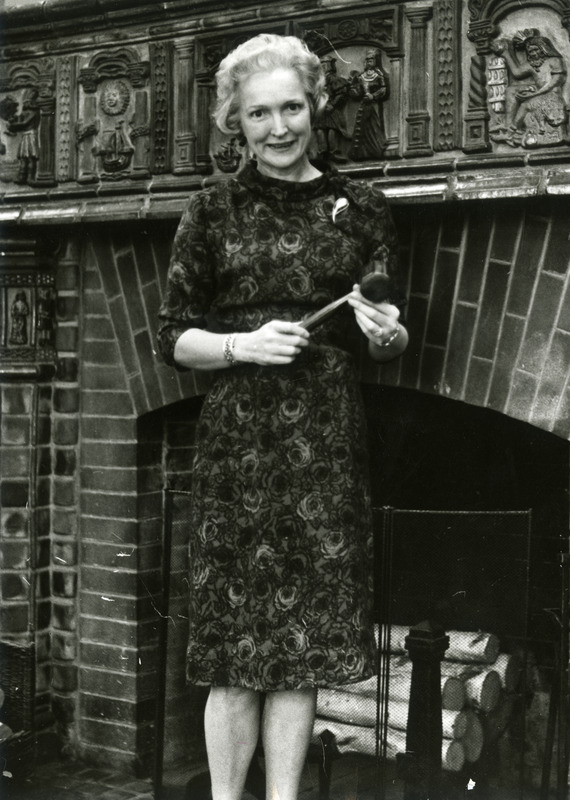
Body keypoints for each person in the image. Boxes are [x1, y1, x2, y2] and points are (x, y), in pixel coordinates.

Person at [157, 32, 408, 800]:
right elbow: (173, 338)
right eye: (258, 112)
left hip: (324, 443)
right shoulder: (212, 208)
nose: (278, 128)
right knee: (236, 646)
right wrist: (241, 345)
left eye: (291, 107)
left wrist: (387, 333)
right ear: (235, 119)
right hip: (241, 447)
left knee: (298, 646)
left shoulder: (362, 210)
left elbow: (387, 327)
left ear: (317, 106)